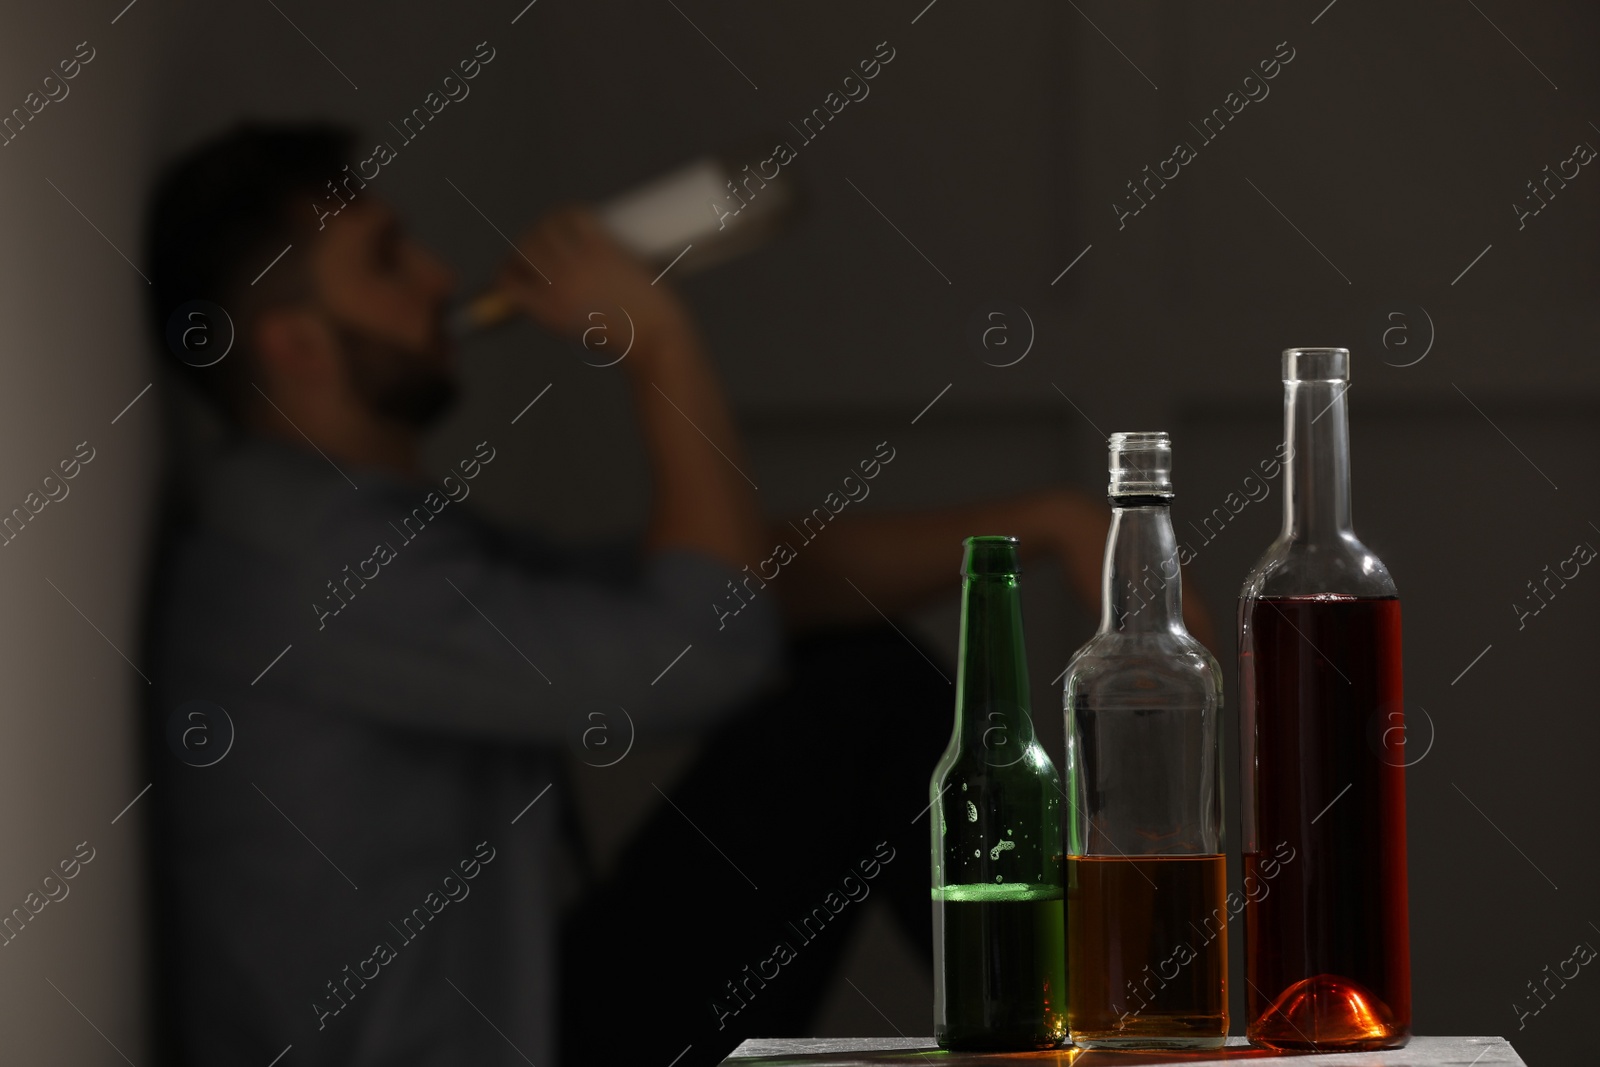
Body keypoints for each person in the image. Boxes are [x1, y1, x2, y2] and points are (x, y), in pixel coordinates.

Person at [142, 121, 1206, 1067]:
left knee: (853, 673)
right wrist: (658, 344)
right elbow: (710, 643)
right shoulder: (308, 563)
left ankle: (1078, 1027)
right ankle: (1095, 1043)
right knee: (864, 705)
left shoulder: (341, 529)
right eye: (384, 261)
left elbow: (736, 579)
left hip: (529, 1010)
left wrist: (1056, 520)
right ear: (293, 344)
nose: (433, 278)